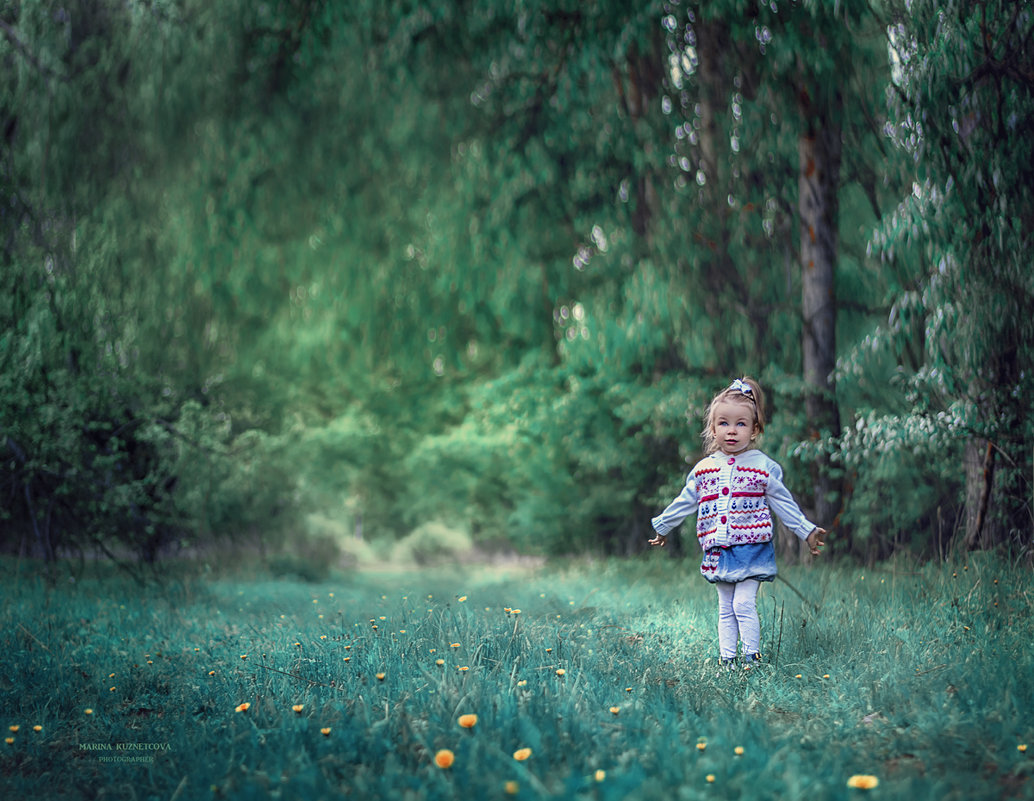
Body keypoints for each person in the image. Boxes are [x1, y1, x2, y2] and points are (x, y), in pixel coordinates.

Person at [648, 377, 826, 671]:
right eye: (724, 423)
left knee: (743, 604)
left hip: (752, 547)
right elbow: (685, 501)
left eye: (741, 424)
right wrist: (663, 526)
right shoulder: (704, 470)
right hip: (718, 549)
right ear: (713, 428)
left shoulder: (762, 466)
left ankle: (751, 659)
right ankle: (728, 661)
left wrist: (806, 531)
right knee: (725, 608)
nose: (732, 430)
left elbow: (783, 503)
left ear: (754, 429)